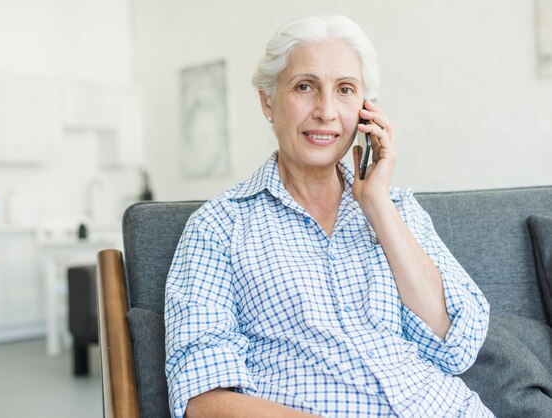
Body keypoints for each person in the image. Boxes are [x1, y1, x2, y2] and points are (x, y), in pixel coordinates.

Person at [164, 15, 492, 418]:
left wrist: (377, 204)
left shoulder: (398, 210)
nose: (325, 111)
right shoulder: (218, 227)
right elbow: (202, 398)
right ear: (268, 101)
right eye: (305, 87)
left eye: (345, 90)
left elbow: (456, 347)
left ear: (366, 111)